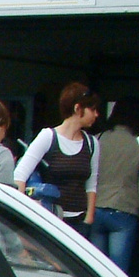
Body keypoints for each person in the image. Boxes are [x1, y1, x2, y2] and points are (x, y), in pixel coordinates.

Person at [15, 82, 101, 234]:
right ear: (77, 108)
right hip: (51, 221)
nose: (96, 114)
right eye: (92, 109)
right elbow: (20, 175)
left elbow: (91, 184)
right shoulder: (48, 136)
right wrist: (21, 215)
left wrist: (89, 218)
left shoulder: (92, 143)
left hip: (80, 223)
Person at [87, 98, 139, 273]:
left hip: (96, 208)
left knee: (97, 270)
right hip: (124, 210)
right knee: (118, 274)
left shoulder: (98, 140)